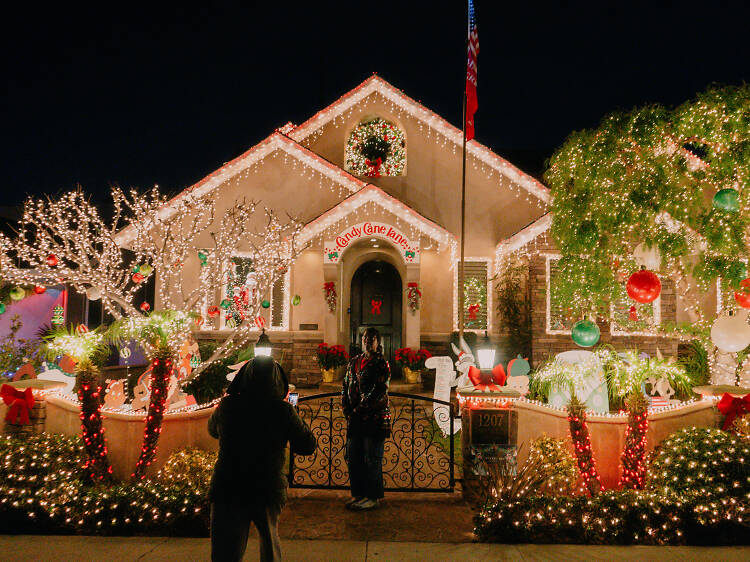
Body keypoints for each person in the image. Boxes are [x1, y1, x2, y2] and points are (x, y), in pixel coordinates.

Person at [208, 356, 316, 562]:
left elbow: (213, 431)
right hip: (266, 486)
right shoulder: (282, 410)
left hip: (229, 485)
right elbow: (307, 445)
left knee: (225, 551)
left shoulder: (228, 406)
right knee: (269, 545)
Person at [341, 327, 392, 511]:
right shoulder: (354, 361)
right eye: (365, 338)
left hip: (374, 418)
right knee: (353, 456)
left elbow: (379, 390)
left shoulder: (381, 364)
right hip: (355, 419)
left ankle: (373, 496)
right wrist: (346, 408)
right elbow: (346, 384)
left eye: (372, 338)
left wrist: (361, 408)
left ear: (378, 342)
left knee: (372, 458)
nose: (367, 341)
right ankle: (359, 494)